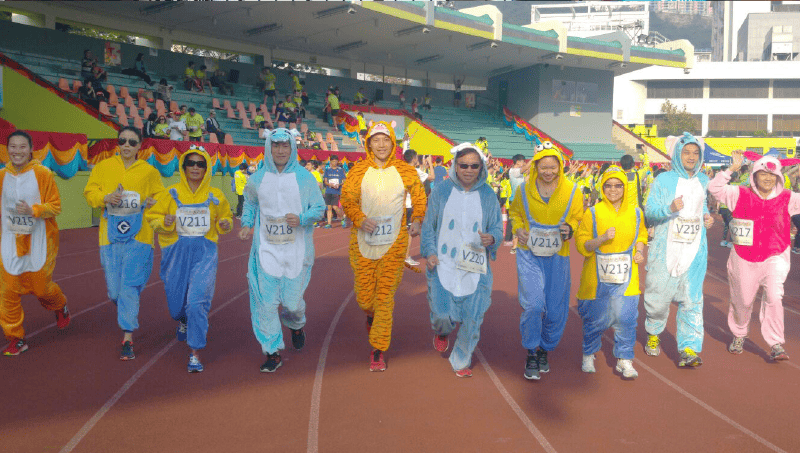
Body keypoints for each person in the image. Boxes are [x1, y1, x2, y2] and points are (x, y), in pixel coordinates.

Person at [341, 121, 427, 371]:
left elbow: (420, 197)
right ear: (369, 143)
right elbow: (347, 200)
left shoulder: (404, 170)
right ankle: (371, 315)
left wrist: (417, 220)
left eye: (386, 139)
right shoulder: (357, 171)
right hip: (362, 243)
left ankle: (378, 349)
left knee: (385, 297)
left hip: (394, 243)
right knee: (365, 299)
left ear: (393, 143)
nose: (381, 145)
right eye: (375, 140)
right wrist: (359, 219)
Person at [239, 128, 325, 372]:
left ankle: (296, 325)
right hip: (266, 251)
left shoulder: (305, 178)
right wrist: (246, 225)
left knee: (292, 303)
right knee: (265, 303)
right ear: (268, 147)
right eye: (275, 145)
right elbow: (251, 204)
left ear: (292, 148)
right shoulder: (257, 179)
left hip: (296, 251)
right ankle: (272, 351)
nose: (279, 150)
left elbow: (318, 208)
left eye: (284, 146)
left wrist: (302, 218)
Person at [708, 150, 800, 361]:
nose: (767, 178)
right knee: (742, 300)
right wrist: (731, 169)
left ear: (779, 178)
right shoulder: (739, 193)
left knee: (775, 297)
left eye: (772, 175)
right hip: (743, 258)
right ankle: (739, 333)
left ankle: (776, 343)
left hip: (774, 256)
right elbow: (714, 188)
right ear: (754, 175)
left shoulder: (788, 197)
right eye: (763, 174)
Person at [147, 146, 232, 373]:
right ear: (184, 167)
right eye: (191, 163)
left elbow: (226, 217)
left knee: (196, 303)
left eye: (200, 164)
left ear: (206, 168)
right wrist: (164, 222)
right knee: (176, 308)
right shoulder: (170, 192)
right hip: (175, 254)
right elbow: (152, 217)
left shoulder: (216, 195)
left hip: (204, 254)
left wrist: (225, 224)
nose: (195, 167)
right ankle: (182, 320)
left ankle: (195, 352)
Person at [421, 143, 502, 377]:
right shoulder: (441, 191)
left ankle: (461, 360)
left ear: (481, 168)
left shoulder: (488, 194)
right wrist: (430, 251)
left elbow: (497, 226)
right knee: (441, 315)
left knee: (473, 317)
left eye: (474, 166)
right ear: (455, 165)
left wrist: (493, 238)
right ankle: (442, 330)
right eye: (463, 165)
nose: (468, 170)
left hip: (475, 265)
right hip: (444, 261)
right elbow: (429, 226)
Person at [83, 126, 164, 360]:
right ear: (118, 144)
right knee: (114, 291)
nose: (127, 145)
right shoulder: (103, 167)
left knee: (128, 286)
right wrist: (104, 197)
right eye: (123, 141)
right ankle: (126, 310)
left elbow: (160, 196)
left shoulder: (149, 171)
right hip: (109, 237)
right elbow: (90, 193)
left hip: (139, 237)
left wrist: (152, 201)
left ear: (140, 145)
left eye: (132, 142)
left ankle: (127, 337)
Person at [509, 148, 583, 380]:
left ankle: (545, 348)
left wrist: (570, 228)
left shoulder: (573, 191)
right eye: (544, 167)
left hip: (557, 256)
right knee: (533, 304)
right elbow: (515, 213)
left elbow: (578, 217)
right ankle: (531, 350)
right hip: (528, 253)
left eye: (553, 167)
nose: (548, 172)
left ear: (560, 167)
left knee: (554, 309)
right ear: (536, 167)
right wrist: (518, 228)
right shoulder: (523, 189)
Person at [643, 133, 713, 367]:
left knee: (692, 301)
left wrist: (706, 216)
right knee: (658, 299)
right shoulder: (663, 180)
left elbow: (701, 204)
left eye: (695, 153)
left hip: (694, 250)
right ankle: (654, 332)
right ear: (677, 154)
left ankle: (689, 348)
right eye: (686, 152)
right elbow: (649, 212)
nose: (691, 157)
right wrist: (669, 208)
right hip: (666, 249)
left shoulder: (703, 180)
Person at [0, 131, 70, 356]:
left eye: (22, 147)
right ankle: (16, 337)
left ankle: (60, 305)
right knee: (8, 290)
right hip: (10, 240)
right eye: (13, 146)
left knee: (41, 289)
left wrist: (34, 210)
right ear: (7, 149)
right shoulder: (2, 176)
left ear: (30, 149)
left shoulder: (42, 174)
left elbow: (56, 206)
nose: (17, 151)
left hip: (39, 239)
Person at [575, 165, 647, 379]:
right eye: (608, 185)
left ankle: (624, 359)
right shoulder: (593, 213)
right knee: (596, 318)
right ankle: (589, 352)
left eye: (618, 185)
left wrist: (640, 252)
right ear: (602, 187)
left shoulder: (636, 213)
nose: (613, 190)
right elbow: (582, 244)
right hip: (597, 277)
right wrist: (602, 238)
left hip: (627, 277)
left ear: (625, 188)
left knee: (626, 318)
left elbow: (641, 236)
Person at [403, 149, 428, 266]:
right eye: (416, 157)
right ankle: (406, 256)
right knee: (410, 232)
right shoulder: (415, 171)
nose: (417, 159)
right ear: (413, 159)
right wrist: (430, 164)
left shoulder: (401, 170)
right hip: (410, 205)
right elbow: (431, 177)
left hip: (404, 205)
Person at [507, 154, 532, 253]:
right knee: (516, 223)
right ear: (517, 162)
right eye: (522, 161)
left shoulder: (519, 174)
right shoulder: (513, 171)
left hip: (521, 200)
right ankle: (514, 247)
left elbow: (525, 180)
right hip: (515, 201)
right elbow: (526, 168)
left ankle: (521, 244)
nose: (524, 163)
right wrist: (534, 157)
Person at [323, 155, 347, 229]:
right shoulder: (327, 170)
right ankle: (329, 223)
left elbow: (344, 180)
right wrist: (329, 184)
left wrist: (338, 184)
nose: (334, 162)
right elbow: (325, 181)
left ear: (338, 161)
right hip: (328, 190)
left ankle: (342, 217)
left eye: (335, 161)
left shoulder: (340, 170)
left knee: (335, 207)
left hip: (336, 191)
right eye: (333, 161)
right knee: (329, 207)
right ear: (330, 162)